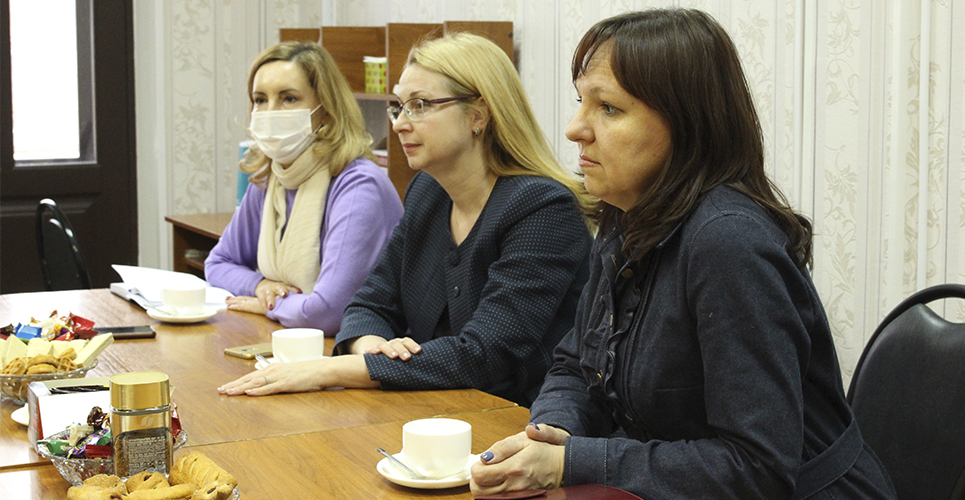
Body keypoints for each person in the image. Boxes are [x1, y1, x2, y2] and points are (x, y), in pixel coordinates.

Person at [470, 9, 897, 500]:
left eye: (608, 108)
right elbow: (576, 365)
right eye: (580, 101)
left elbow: (757, 467)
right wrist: (551, 433)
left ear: (686, 123)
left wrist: (574, 461)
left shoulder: (729, 243)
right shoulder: (626, 215)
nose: (574, 129)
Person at [218, 33, 592, 407]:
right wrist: (372, 348)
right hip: (432, 406)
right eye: (399, 107)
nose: (399, 124)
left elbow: (485, 354)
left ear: (477, 115)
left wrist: (330, 370)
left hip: (518, 422)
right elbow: (370, 304)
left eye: (419, 105)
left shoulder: (543, 209)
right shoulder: (427, 192)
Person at [204, 42, 403, 334]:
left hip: (361, 347)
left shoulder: (359, 185)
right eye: (260, 100)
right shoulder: (270, 177)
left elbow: (327, 313)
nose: (270, 112)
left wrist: (270, 306)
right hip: (292, 338)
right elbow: (218, 263)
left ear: (326, 108)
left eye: (289, 98)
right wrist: (260, 285)